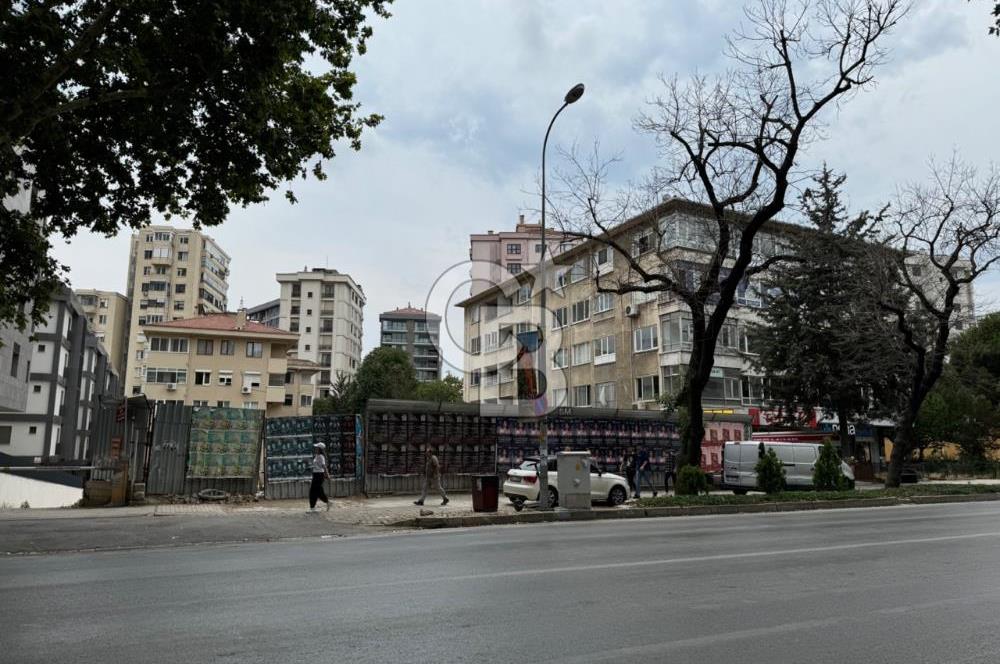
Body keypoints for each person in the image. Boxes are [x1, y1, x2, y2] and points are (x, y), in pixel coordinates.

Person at [308, 442, 331, 512]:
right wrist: (311, 467)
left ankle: (326, 502)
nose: (315, 448)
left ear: (320, 449)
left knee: (316, 491)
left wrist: (327, 475)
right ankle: (313, 507)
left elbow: (324, 466)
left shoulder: (321, 456)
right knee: (315, 491)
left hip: (319, 475)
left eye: (317, 447)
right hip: (316, 475)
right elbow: (317, 465)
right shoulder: (317, 456)